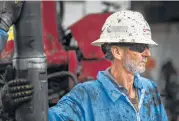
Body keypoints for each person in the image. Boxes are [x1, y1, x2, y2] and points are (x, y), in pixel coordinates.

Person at [0, 10, 168, 121]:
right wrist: (8, 111)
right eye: (139, 47)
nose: (148, 53)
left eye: (148, 47)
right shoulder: (86, 97)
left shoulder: (149, 90)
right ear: (117, 52)